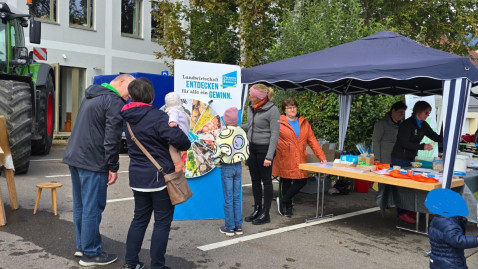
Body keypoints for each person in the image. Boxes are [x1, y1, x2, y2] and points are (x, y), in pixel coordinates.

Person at [62, 74, 135, 266]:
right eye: (129, 91)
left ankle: (82, 246)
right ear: (121, 82)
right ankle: (91, 253)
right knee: (92, 208)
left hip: (76, 157)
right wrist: (113, 165)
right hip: (93, 160)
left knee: (81, 205)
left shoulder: (91, 96)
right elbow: (112, 137)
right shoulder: (113, 101)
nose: (129, 97)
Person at [120, 78, 191, 269]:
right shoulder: (158, 117)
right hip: (161, 178)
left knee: (139, 220)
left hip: (137, 178)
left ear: (132, 95)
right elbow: (182, 141)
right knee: (161, 223)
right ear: (150, 95)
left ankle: (131, 263)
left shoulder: (126, 117)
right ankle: (157, 266)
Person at [273, 97, 327, 217]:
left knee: (302, 180)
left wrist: (321, 156)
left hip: (300, 157)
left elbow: (312, 140)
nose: (292, 109)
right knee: (286, 180)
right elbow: (272, 138)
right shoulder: (278, 122)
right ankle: (288, 207)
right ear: (284, 110)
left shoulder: (304, 122)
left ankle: (284, 200)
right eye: (289, 107)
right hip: (285, 156)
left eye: (294, 107)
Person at [390, 100, 443, 223]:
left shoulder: (423, 125)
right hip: (399, 158)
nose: (427, 115)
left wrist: (452, 135)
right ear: (418, 111)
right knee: (401, 186)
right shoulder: (407, 124)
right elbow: (404, 143)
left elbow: (435, 137)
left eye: (429, 113)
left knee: (410, 186)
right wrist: (422, 146)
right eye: (426, 112)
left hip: (410, 158)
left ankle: (409, 210)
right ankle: (402, 212)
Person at [241, 83, 280, 225]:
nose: (249, 96)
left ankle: (265, 213)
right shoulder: (251, 108)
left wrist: (270, 156)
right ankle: (257, 209)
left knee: (267, 181)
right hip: (252, 149)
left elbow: (275, 134)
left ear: (258, 97)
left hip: (265, 150)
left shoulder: (272, 110)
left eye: (251, 95)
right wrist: (234, 126)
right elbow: (250, 126)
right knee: (255, 180)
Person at [212, 107, 250, 236]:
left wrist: (218, 163)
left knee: (228, 198)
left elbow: (217, 153)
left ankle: (229, 227)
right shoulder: (242, 132)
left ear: (226, 120)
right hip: (238, 166)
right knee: (236, 197)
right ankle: (238, 226)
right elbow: (246, 149)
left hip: (227, 167)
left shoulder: (223, 134)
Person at [425, 188, 478, 269]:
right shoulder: (448, 224)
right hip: (451, 264)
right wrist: (476, 239)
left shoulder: (438, 219)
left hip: (437, 261)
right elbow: (458, 241)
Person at [164, 92, 190, 172]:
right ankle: (180, 165)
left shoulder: (173, 111)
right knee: (177, 152)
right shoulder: (181, 112)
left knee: (172, 151)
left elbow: (173, 120)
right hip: (183, 136)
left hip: (177, 136)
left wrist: (171, 123)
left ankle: (178, 167)